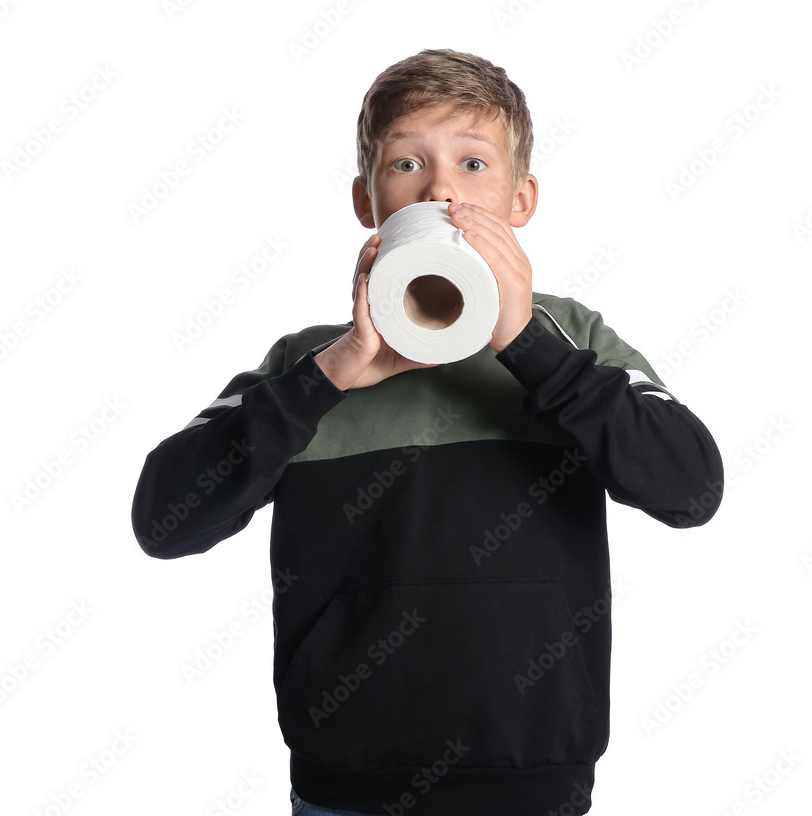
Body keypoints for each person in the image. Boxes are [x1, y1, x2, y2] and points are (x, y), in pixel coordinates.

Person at [131, 48, 724, 816]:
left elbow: (691, 487)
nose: (441, 188)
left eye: (474, 163)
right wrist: (333, 373)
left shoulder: (571, 337)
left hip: (534, 785)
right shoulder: (305, 366)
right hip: (347, 791)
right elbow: (165, 522)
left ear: (521, 198)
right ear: (367, 198)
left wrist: (530, 348)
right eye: (407, 163)